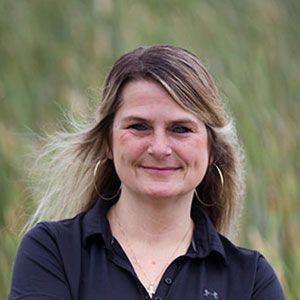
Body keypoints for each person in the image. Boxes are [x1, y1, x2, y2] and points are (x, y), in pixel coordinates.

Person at [9, 45, 285, 299]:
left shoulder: (251, 280)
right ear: (107, 141)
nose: (159, 148)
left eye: (181, 129)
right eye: (139, 126)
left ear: (212, 150)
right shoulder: (52, 252)